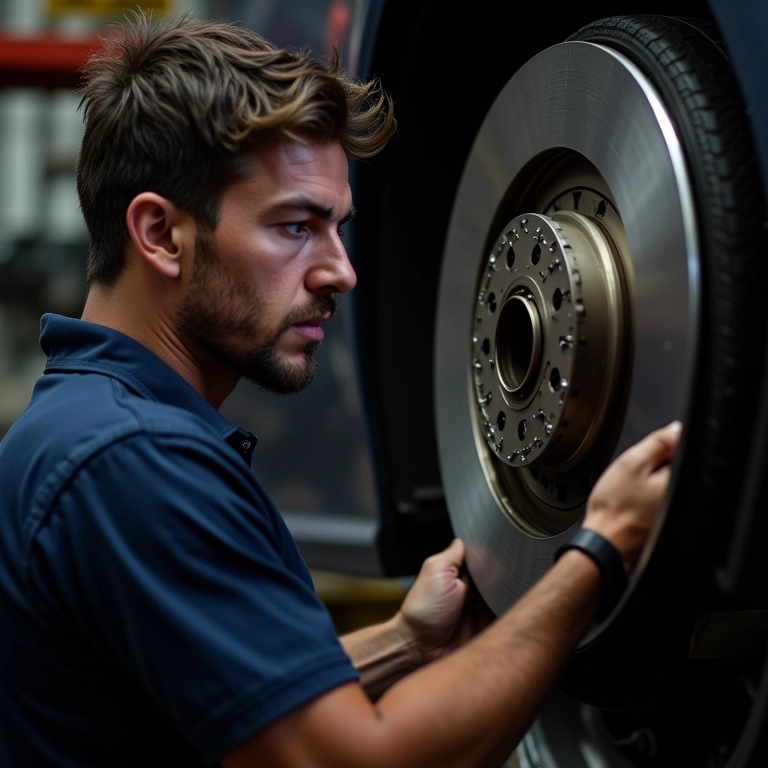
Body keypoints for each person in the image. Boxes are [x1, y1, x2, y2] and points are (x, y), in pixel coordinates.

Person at [0, 12, 681, 768]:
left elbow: (221, 706)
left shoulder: (85, 424)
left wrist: (404, 640)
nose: (342, 272)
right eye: (296, 226)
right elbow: (352, 761)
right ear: (160, 233)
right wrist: (599, 551)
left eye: (339, 229)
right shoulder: (133, 461)